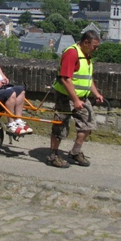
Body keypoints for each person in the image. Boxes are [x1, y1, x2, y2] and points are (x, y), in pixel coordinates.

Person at [49, 30, 104, 168]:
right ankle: (53, 156)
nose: (96, 49)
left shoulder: (86, 55)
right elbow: (66, 79)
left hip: (81, 98)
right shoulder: (71, 53)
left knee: (88, 124)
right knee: (60, 126)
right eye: (94, 46)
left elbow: (87, 78)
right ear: (86, 42)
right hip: (65, 96)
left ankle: (75, 152)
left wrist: (96, 93)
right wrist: (75, 100)